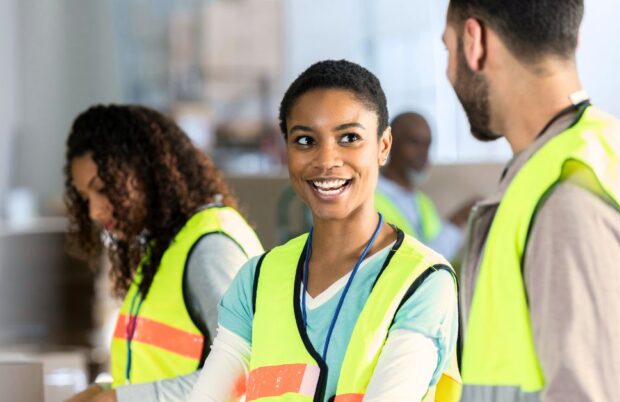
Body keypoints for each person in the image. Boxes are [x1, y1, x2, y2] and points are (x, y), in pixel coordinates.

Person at [442, 0, 620, 400]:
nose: (448, 70)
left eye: (447, 50)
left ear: (474, 42)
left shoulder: (565, 198)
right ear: (572, 36)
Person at [184, 60, 460, 402]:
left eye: (349, 137)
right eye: (305, 140)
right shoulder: (256, 280)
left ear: (383, 145)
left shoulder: (422, 281)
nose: (327, 159)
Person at [62, 105, 264, 402]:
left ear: (146, 168)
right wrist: (103, 389)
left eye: (103, 188)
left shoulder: (210, 246)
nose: (94, 210)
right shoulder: (164, 249)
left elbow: (245, 372)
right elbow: (153, 369)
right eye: (86, 198)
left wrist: (119, 400)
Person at [376, 112, 464, 260]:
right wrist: (458, 220)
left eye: (427, 145)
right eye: (414, 143)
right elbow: (413, 260)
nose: (423, 154)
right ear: (388, 143)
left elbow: (440, 258)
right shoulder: (368, 199)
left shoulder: (423, 202)